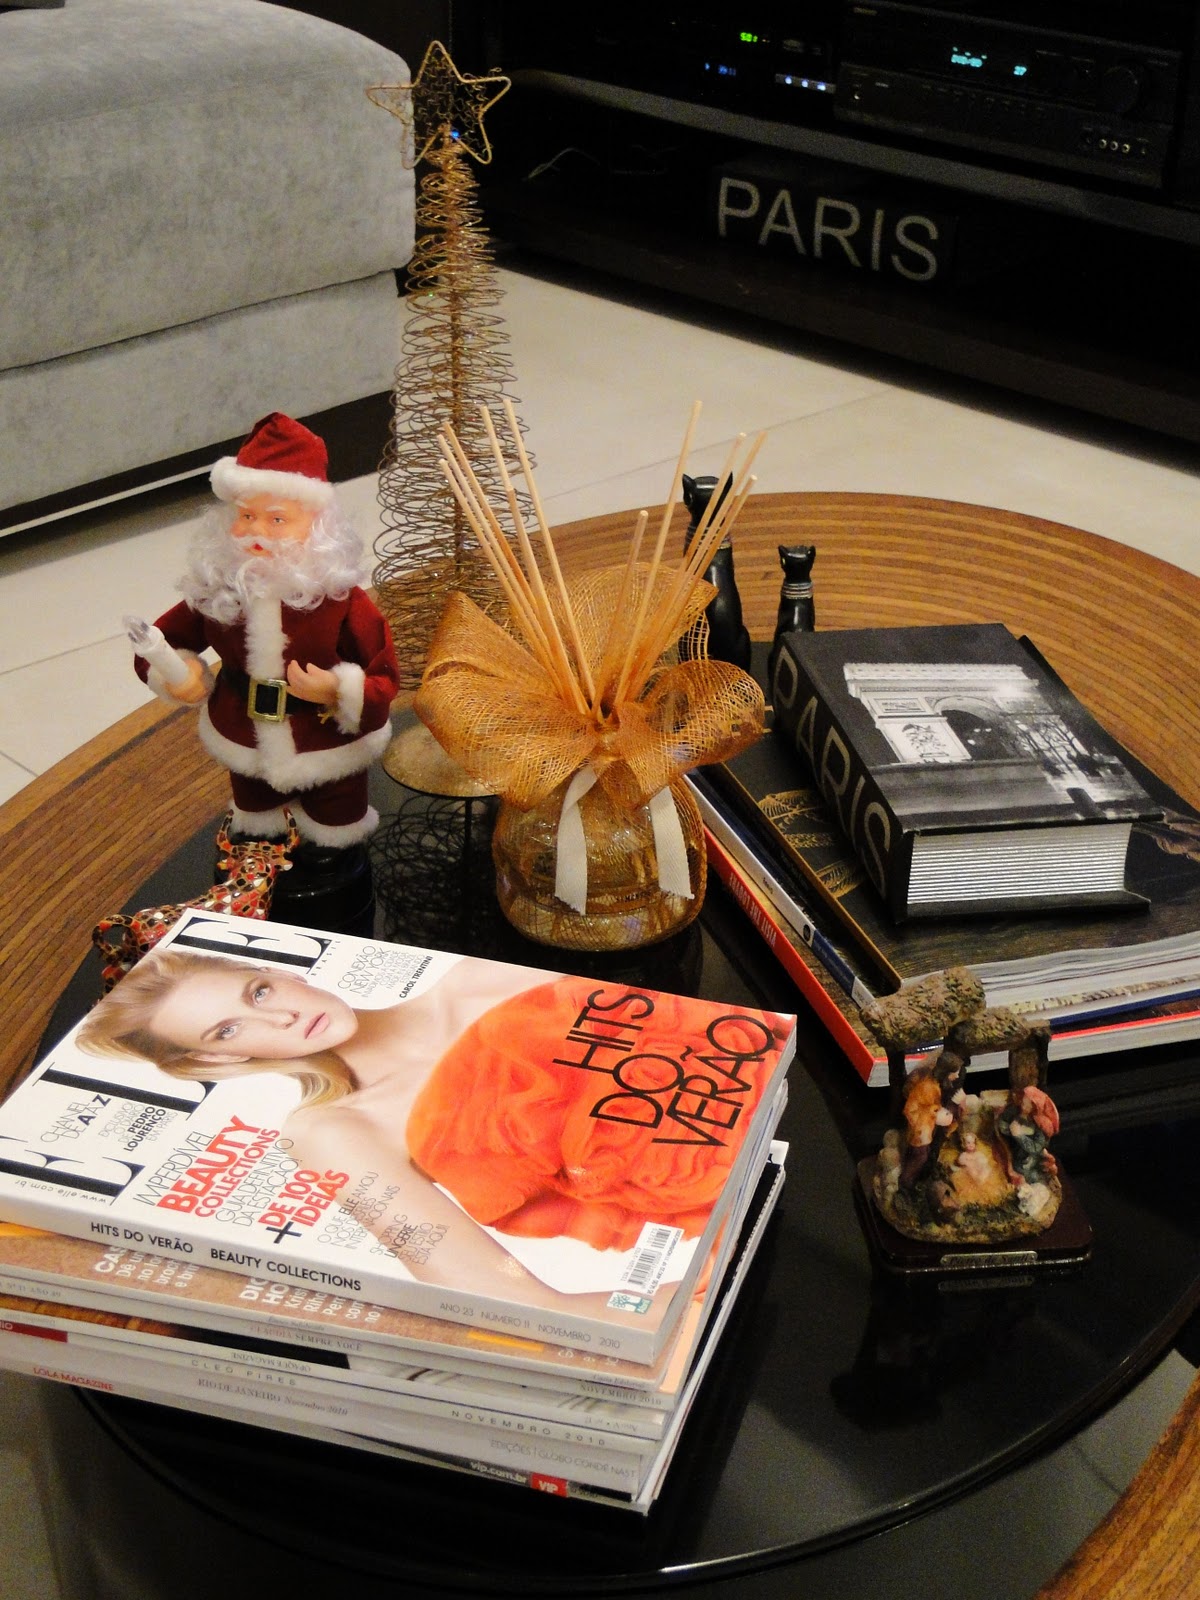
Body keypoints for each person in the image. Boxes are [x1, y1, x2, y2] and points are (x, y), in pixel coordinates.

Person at [76, 947, 789, 1299]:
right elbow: (501, 1295)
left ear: (281, 973)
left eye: (258, 991)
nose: (284, 1015)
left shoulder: (475, 978)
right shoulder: (333, 1130)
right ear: (215, 1060)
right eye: (230, 1030)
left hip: (781, 1140)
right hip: (725, 1262)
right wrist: (686, 1303)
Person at [133, 412, 400, 849]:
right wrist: (176, 673)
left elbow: (384, 670)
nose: (256, 531)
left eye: (277, 520)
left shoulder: (339, 598)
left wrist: (339, 690)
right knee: (258, 829)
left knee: (339, 829)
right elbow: (165, 639)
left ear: (318, 526)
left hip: (326, 739)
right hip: (244, 735)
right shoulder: (220, 589)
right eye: (246, 515)